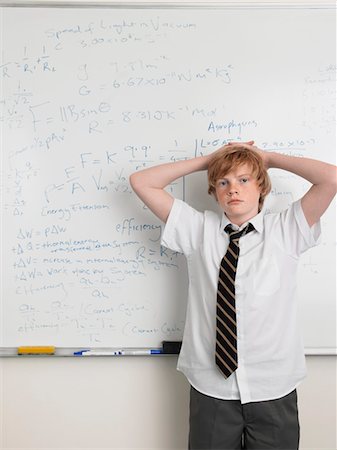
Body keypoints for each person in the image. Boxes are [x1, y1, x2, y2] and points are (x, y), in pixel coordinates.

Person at [129, 140, 337, 450]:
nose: (233, 189)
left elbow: (331, 178)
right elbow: (141, 182)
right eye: (223, 182)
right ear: (213, 190)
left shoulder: (286, 230)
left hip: (273, 387)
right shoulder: (197, 230)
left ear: (261, 187)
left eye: (244, 179)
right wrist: (211, 161)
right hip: (212, 387)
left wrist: (266, 158)